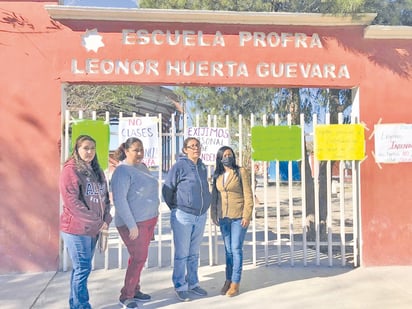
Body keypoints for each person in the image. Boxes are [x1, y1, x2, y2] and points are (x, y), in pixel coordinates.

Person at [60, 134, 112, 309]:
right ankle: (82, 305)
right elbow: (72, 203)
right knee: (83, 268)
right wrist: (98, 222)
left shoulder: (97, 170)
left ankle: (75, 304)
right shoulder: (71, 170)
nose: (89, 152)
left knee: (80, 269)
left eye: (92, 148)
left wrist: (106, 218)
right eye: (85, 148)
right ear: (77, 149)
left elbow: (105, 197)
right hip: (76, 228)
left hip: (93, 228)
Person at [111, 137, 159, 309]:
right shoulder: (122, 171)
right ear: (126, 150)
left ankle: (135, 289)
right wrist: (131, 225)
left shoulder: (143, 167)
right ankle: (126, 295)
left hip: (148, 220)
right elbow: (120, 201)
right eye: (135, 150)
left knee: (138, 258)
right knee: (139, 258)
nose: (139, 153)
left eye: (141, 150)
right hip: (133, 223)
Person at [162, 137, 211, 302]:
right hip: (183, 215)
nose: (196, 148)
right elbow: (167, 189)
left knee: (194, 253)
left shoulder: (202, 167)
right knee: (182, 254)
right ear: (185, 150)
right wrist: (176, 207)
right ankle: (180, 285)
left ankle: (193, 283)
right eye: (192, 146)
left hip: (200, 215)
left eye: (198, 145)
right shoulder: (179, 166)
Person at [210, 146, 254, 297]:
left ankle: (235, 282)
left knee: (236, 249)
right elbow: (214, 196)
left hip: (238, 217)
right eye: (225, 155)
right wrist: (214, 213)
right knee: (228, 251)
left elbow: (248, 195)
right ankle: (228, 280)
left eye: (230, 154)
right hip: (224, 217)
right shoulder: (218, 175)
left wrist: (247, 215)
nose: (228, 157)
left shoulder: (241, 172)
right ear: (220, 158)